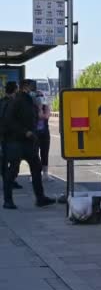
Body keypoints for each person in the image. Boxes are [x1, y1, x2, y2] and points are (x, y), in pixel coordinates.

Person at [2, 79, 55, 209]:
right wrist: (25, 132)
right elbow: (9, 120)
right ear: (25, 87)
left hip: (28, 142)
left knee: (36, 168)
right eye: (32, 87)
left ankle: (40, 198)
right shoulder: (17, 101)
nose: (34, 90)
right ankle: (8, 200)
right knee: (12, 170)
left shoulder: (28, 100)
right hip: (16, 141)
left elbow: (33, 117)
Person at [0, 82, 23, 190]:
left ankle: (8, 182)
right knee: (15, 161)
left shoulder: (2, 102)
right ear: (15, 90)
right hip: (11, 138)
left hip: (4, 137)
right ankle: (9, 182)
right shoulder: (14, 104)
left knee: (5, 162)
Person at [33, 91, 51, 181]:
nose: (39, 98)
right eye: (37, 96)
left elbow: (45, 116)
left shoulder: (46, 106)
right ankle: (35, 174)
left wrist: (41, 108)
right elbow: (38, 116)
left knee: (45, 153)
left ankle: (45, 174)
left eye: (41, 96)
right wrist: (38, 108)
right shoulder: (32, 108)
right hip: (35, 134)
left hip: (44, 133)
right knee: (35, 154)